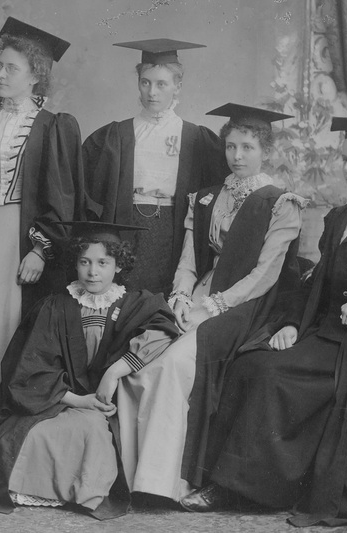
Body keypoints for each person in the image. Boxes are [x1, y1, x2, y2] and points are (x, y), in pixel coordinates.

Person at [179, 115, 347, 527]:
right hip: (323, 333)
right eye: (345, 159)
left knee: (269, 373)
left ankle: (241, 489)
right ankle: (239, 481)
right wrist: (292, 325)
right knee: (249, 359)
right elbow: (317, 284)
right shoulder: (339, 217)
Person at [115, 103, 306, 503]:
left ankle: (165, 483)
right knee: (136, 364)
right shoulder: (204, 197)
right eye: (232, 147)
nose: (237, 156)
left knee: (170, 366)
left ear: (265, 151)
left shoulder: (281, 201)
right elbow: (190, 259)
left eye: (248, 147)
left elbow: (266, 275)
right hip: (198, 294)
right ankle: (137, 477)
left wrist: (212, 307)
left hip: (245, 306)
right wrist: (182, 298)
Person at [0, 221, 180, 520]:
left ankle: (75, 490)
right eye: (84, 262)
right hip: (57, 401)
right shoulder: (56, 306)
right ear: (74, 263)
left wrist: (114, 372)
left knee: (89, 433)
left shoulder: (135, 303)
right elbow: (30, 369)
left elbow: (163, 330)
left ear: (118, 265)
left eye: (103, 263)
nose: (92, 271)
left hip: (104, 410)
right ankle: (35, 489)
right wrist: (77, 400)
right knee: (31, 436)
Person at [0, 17, 90, 416]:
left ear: (36, 76)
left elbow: (62, 198)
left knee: (2, 330)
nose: (0, 73)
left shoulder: (52, 127)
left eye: (11, 68)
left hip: (18, 236)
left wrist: (40, 249)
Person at [82, 39, 230, 295]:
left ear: (177, 87)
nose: (152, 92)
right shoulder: (118, 134)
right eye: (145, 82)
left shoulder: (195, 137)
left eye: (162, 84)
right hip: (128, 224)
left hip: (174, 227)